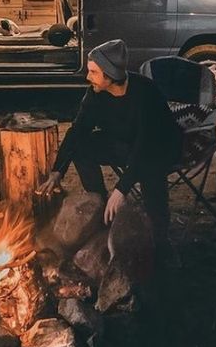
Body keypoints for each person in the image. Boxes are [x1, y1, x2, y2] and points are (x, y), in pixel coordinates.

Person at [41, 39, 182, 253]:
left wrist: (121, 189)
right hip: (125, 144)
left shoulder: (145, 93)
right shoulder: (96, 94)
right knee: (82, 146)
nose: (88, 77)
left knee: (150, 171)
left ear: (110, 75)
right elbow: (77, 131)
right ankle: (101, 207)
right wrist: (57, 170)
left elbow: (145, 144)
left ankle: (159, 241)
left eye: (94, 72)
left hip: (159, 149)